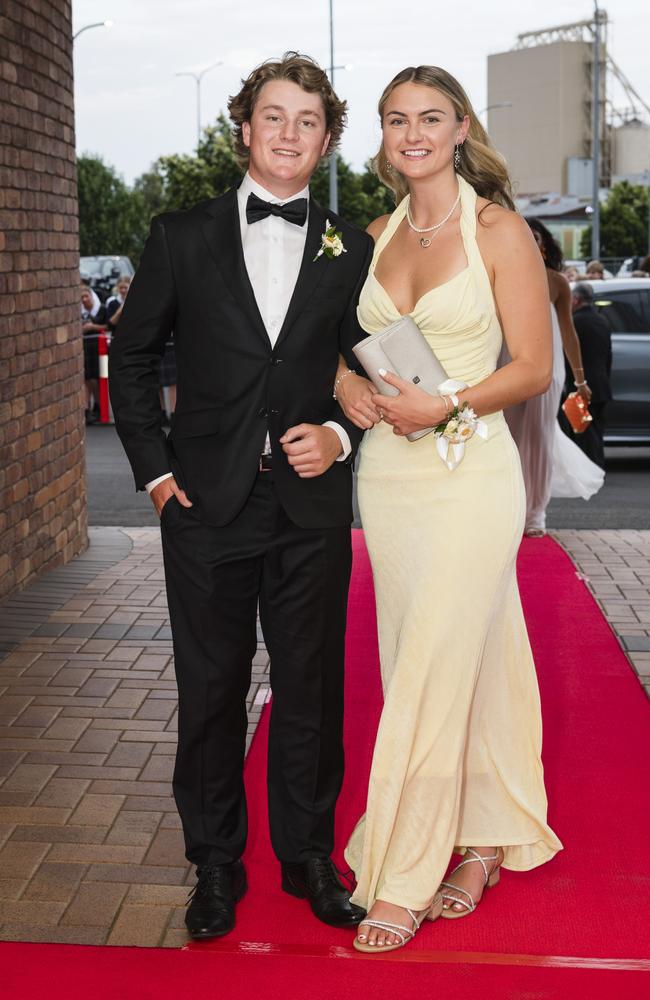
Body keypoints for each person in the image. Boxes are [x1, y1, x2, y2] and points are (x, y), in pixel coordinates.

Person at [108, 52, 373, 941]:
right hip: (204, 506)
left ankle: (307, 859)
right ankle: (215, 865)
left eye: (307, 119)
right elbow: (133, 354)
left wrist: (340, 435)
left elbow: (372, 371)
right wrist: (154, 472)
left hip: (310, 508)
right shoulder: (181, 234)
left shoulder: (352, 245)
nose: (289, 132)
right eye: (273, 115)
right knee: (212, 690)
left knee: (311, 689)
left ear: (326, 138)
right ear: (244, 128)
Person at [333, 65, 562, 954]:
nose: (413, 133)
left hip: (471, 472)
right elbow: (330, 346)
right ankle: (484, 836)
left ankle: (406, 867)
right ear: (385, 137)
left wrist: (450, 402)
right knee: (450, 649)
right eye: (397, 120)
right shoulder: (374, 234)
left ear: (462, 128)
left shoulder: (500, 230)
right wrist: (347, 383)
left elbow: (534, 367)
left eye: (431, 117)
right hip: (390, 479)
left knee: (432, 658)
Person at [505, 219, 602, 536]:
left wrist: (580, 380)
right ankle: (512, 509)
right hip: (506, 364)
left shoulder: (557, 282)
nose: (530, 243)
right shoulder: (500, 275)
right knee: (509, 439)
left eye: (535, 238)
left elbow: (568, 332)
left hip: (548, 368)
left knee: (540, 438)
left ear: (544, 245)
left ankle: (535, 514)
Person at [568, 281, 612, 469]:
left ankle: (590, 468)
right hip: (602, 385)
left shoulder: (574, 323)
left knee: (583, 430)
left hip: (581, 386)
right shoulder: (603, 321)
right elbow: (608, 356)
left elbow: (568, 356)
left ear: (576, 299)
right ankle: (599, 465)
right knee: (596, 429)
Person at [81, 284, 106, 424]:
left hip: (98, 347)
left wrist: (92, 327)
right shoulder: (80, 311)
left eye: (86, 296)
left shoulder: (101, 309)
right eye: (82, 297)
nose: (84, 300)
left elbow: (108, 326)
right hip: (85, 347)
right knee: (86, 379)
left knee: (97, 379)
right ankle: (87, 409)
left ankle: (99, 406)